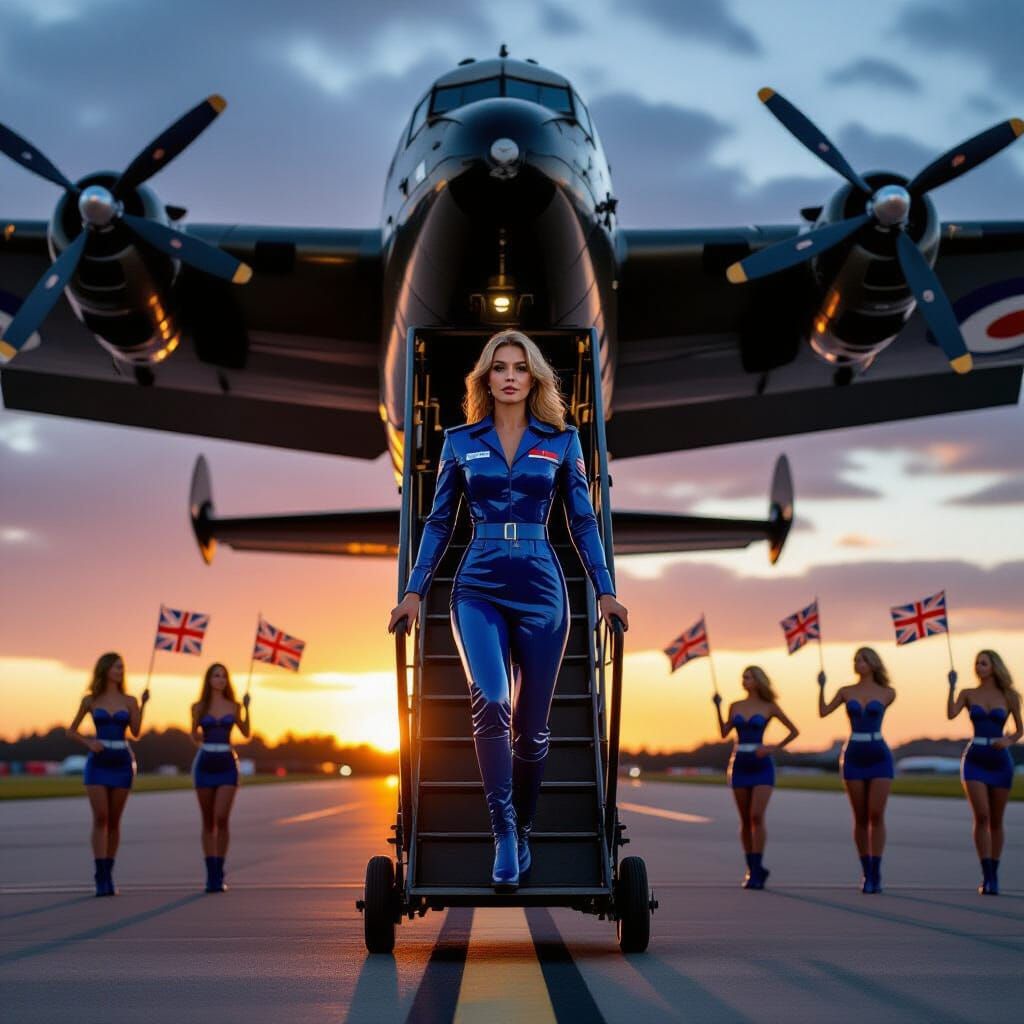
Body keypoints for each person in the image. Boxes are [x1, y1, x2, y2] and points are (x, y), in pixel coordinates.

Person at [388, 329, 628, 891]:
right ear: (486, 378)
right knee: (492, 698)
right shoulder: (459, 442)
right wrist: (414, 591)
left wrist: (605, 589)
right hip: (478, 583)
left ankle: (524, 829)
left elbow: (583, 521)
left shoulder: (562, 442)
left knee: (533, 728)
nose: (511, 376)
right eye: (500, 367)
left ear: (534, 377)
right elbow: (439, 521)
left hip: (543, 586)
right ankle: (502, 832)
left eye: (521, 367)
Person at [66, 652, 149, 896]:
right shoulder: (90, 700)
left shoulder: (130, 700)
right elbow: (71, 731)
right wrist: (89, 742)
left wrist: (143, 705)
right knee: (100, 818)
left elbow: (136, 732)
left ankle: (109, 874)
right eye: (115, 667)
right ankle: (100, 874)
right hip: (98, 763)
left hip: (122, 761)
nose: (120, 671)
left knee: (114, 821)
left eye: (122, 667)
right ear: (104, 670)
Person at [712, 666, 798, 889]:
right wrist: (718, 707)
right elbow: (724, 733)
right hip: (739, 763)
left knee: (756, 816)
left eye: (748, 677)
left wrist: (771, 748)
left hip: (762, 766)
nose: (744, 680)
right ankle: (752, 869)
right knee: (745, 819)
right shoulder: (735, 706)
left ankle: (758, 865)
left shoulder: (769, 706)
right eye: (743, 677)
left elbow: (793, 731)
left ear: (758, 680)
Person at [818, 647, 895, 893]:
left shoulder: (887, 692)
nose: (858, 663)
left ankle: (876, 871)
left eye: (862, 659)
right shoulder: (846, 691)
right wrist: (821, 686)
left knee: (876, 814)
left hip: (879, 754)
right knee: (860, 817)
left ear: (873, 663)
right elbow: (823, 712)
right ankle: (866, 872)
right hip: (853, 754)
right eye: (855, 660)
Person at [948, 650, 1022, 895]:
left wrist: (1008, 740)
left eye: (983, 663)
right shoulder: (968, 694)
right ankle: (986, 874)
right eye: (977, 663)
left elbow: (1019, 730)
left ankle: (994, 875)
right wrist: (952, 687)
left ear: (994, 667)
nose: (978, 667)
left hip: (1000, 760)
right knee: (982, 816)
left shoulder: (1009, 696)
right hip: (975, 759)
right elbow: (951, 714)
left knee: (997, 820)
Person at [190, 663, 251, 893]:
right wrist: (200, 733)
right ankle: (211, 874)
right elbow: (193, 735)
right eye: (216, 675)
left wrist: (247, 709)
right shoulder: (198, 706)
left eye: (224, 676)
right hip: (205, 763)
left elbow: (246, 733)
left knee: (221, 817)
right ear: (209, 679)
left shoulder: (234, 706)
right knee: (208, 821)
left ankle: (220, 868)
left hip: (227, 763)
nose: (220, 679)